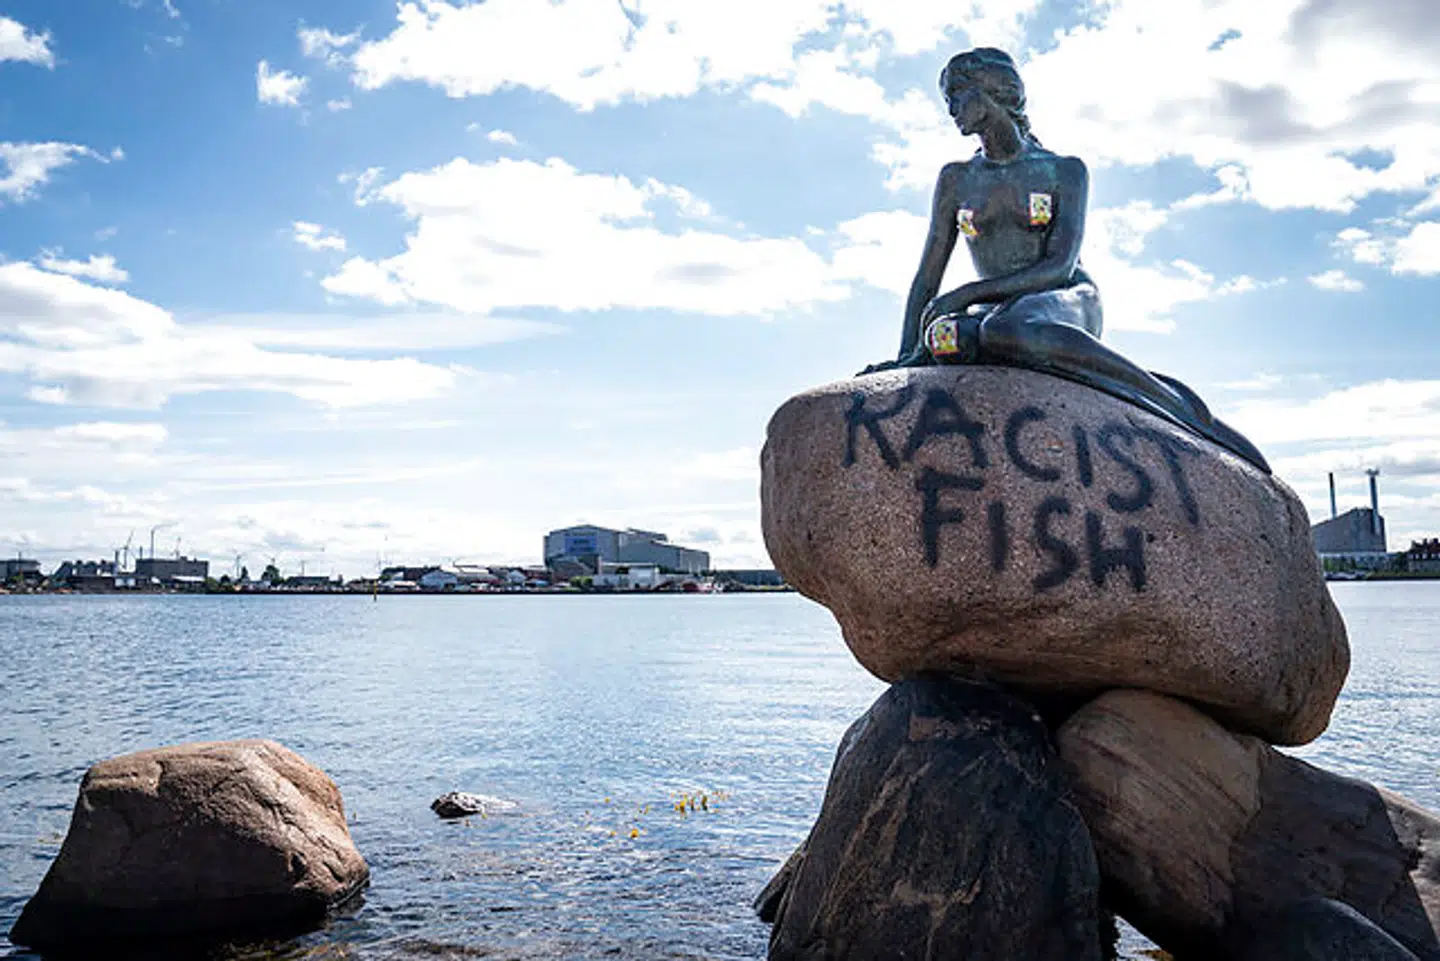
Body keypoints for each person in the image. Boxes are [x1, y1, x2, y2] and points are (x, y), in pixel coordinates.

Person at [864, 47, 1268, 473]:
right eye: (948, 97)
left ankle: (1168, 400)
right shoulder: (956, 179)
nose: (950, 109)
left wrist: (965, 294)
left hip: (1063, 295)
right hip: (1000, 309)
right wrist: (908, 356)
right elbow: (927, 279)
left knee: (1006, 329)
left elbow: (1057, 265)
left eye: (959, 94)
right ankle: (1001, 343)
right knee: (947, 338)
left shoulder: (1064, 170)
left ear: (994, 91)